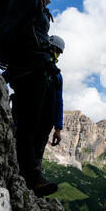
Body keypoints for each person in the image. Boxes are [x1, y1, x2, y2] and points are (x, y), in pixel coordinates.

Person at [0, 0, 62, 197]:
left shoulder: (39, 1)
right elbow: (7, 24)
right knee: (29, 123)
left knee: (44, 121)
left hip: (39, 69)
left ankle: (34, 168)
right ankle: (31, 175)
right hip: (28, 70)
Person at [33, 35, 65, 170]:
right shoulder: (33, 62)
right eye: (55, 50)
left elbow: (59, 102)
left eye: (58, 51)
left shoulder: (57, 75)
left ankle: (34, 176)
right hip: (29, 113)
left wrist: (58, 128)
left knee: (38, 148)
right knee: (25, 143)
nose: (56, 53)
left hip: (45, 120)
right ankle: (32, 175)